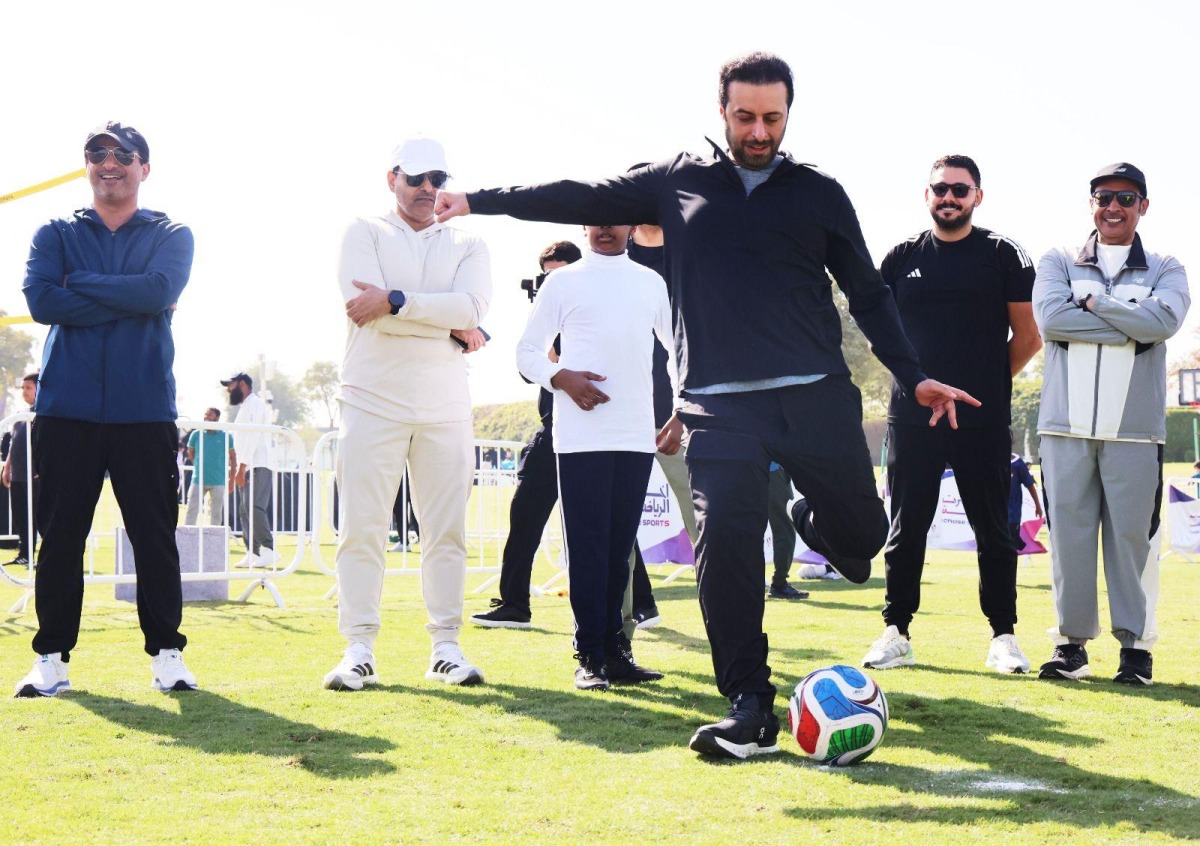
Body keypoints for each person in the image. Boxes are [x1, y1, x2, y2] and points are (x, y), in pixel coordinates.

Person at [436, 52, 976, 758]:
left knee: (864, 543)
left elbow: (868, 294)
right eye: (746, 116)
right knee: (722, 547)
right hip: (718, 409)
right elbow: (583, 194)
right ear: (722, 110)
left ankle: (807, 517)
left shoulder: (819, 193)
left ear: (789, 113)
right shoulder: (676, 182)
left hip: (815, 395)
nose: (759, 131)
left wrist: (914, 375)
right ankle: (749, 707)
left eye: (772, 118)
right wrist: (477, 199)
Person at [15, 121, 197, 697]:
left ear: (145, 166)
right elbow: (43, 301)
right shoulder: (54, 231)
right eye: (97, 154)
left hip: (144, 410)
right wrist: (135, 297)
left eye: (124, 154)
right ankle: (51, 660)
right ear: (87, 165)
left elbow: (158, 290)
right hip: (65, 411)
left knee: (154, 537)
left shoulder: (173, 233)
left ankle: (168, 656)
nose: (109, 162)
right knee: (61, 538)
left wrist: (84, 286)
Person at [322, 136, 491, 691]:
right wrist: (441, 320)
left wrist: (395, 300)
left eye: (436, 179)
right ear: (391, 176)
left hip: (445, 406)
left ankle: (445, 646)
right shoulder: (363, 231)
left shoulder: (468, 243)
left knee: (446, 532)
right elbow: (362, 311)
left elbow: (470, 310)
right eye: (416, 178)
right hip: (370, 400)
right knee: (362, 529)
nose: (426, 189)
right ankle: (359, 649)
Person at [863, 155, 1041, 675]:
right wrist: (922, 387)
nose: (949, 197)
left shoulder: (1004, 254)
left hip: (980, 419)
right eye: (940, 188)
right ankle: (896, 631)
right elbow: (881, 335)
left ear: (977, 197)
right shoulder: (899, 257)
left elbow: (1028, 337)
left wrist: (976, 390)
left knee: (994, 528)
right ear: (927, 195)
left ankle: (1004, 637)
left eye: (959, 190)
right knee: (907, 525)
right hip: (913, 415)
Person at [1033, 162, 1189, 686]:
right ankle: (1070, 647)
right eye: (1103, 197)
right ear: (1092, 203)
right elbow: (1052, 319)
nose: (1113, 207)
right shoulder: (1057, 260)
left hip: (1135, 431)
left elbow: (1163, 323)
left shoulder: (1167, 266)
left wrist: (1096, 301)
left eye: (1125, 198)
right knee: (1069, 540)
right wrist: (1129, 321)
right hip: (1063, 428)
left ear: (1143, 206)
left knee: (1132, 541)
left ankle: (1137, 652)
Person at [516, 224, 677, 690]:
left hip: (635, 435)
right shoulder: (562, 282)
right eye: (597, 218)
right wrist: (561, 377)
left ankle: (617, 653)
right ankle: (588, 655)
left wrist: (682, 410)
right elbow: (527, 353)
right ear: (584, 226)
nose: (606, 227)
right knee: (588, 549)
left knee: (619, 550)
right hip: (581, 437)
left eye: (616, 217)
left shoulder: (651, 282)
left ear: (631, 225)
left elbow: (678, 348)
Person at [471, 240, 581, 629]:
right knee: (525, 519)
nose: (552, 281)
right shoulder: (548, 314)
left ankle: (640, 604)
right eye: (547, 274)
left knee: (604, 524)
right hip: (553, 431)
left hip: (583, 432)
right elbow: (526, 364)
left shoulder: (589, 311)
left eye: (560, 272)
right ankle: (514, 603)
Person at [223, 373, 278, 567]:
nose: (229, 389)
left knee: (254, 507)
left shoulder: (255, 403)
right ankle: (252, 552)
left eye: (231, 385)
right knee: (245, 510)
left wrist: (242, 466)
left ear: (243, 384)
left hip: (259, 462)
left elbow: (253, 435)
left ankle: (269, 549)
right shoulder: (244, 407)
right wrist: (238, 468)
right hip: (246, 464)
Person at [3, 374, 40, 567]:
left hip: (34, 477)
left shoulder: (41, 416)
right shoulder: (19, 416)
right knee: (19, 516)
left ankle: (34, 556)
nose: (24, 391)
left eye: (28, 387)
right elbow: (13, 445)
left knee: (34, 517)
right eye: (22, 387)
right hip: (17, 475)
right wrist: (7, 467)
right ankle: (24, 553)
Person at [184, 408, 233, 527]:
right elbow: (191, 453)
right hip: (198, 480)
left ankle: (214, 542)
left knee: (216, 513)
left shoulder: (226, 436)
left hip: (218, 481)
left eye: (209, 415)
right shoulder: (196, 434)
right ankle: (187, 540)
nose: (206, 417)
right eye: (205, 415)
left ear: (217, 418)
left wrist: (232, 477)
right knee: (191, 509)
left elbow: (233, 456)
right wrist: (198, 464)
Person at [765, 464, 808, 599]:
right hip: (773, 471)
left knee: (752, 528)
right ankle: (779, 583)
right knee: (784, 530)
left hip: (752, 469)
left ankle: (749, 580)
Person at [1009, 444, 1043, 552]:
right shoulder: (991, 461)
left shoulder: (1017, 464)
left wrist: (1037, 505)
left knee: (1011, 548)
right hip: (995, 515)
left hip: (1012, 516)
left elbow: (1030, 485)